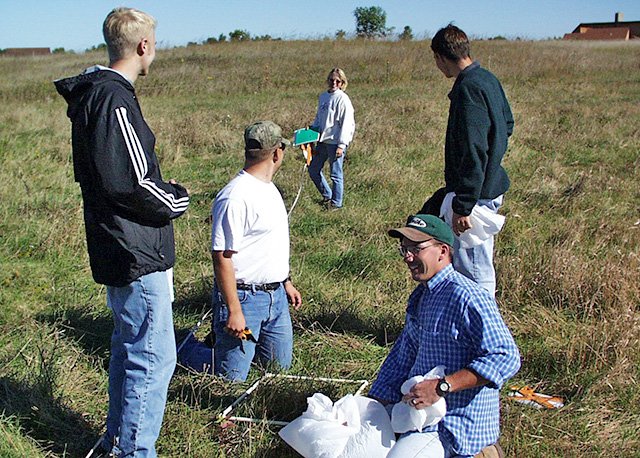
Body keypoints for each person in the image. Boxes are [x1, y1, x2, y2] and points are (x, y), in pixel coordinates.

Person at [55, 7, 189, 457]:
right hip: (135, 251)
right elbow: (131, 182)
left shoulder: (96, 96)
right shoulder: (113, 98)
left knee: (132, 349)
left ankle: (117, 440)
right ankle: (132, 451)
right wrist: (177, 199)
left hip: (117, 244)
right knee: (152, 358)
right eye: (155, 43)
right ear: (143, 46)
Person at [368, 214, 520, 458]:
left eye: (416, 249)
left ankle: (484, 453)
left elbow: (506, 357)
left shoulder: (467, 297)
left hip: (457, 426)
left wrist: (442, 387)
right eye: (404, 249)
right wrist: (371, 406)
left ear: (442, 251)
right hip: (419, 416)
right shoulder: (421, 297)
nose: (408, 257)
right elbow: (403, 355)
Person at [178, 121, 302, 382]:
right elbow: (222, 256)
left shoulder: (270, 190)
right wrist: (234, 310)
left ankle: (240, 345)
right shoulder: (235, 197)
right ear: (277, 153)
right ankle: (184, 349)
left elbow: (270, 245)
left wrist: (286, 282)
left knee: (279, 371)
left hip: (276, 300)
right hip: (245, 301)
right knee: (231, 377)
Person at [422, 24, 514, 297]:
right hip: (487, 185)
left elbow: (473, 150)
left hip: (474, 195)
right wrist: (494, 152)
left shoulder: (468, 89)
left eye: (436, 61)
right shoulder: (487, 79)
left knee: (474, 269)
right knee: (475, 262)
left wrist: (464, 204)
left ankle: (482, 331)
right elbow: (506, 123)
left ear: (440, 56)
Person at [308, 68, 356, 210]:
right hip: (322, 141)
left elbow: (347, 123)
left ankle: (336, 204)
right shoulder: (323, 96)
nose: (334, 83)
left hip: (335, 142)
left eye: (337, 81)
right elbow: (319, 118)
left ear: (342, 83)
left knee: (335, 174)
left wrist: (342, 144)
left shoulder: (343, 99)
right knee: (313, 169)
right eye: (331, 80)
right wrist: (311, 133)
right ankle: (327, 195)